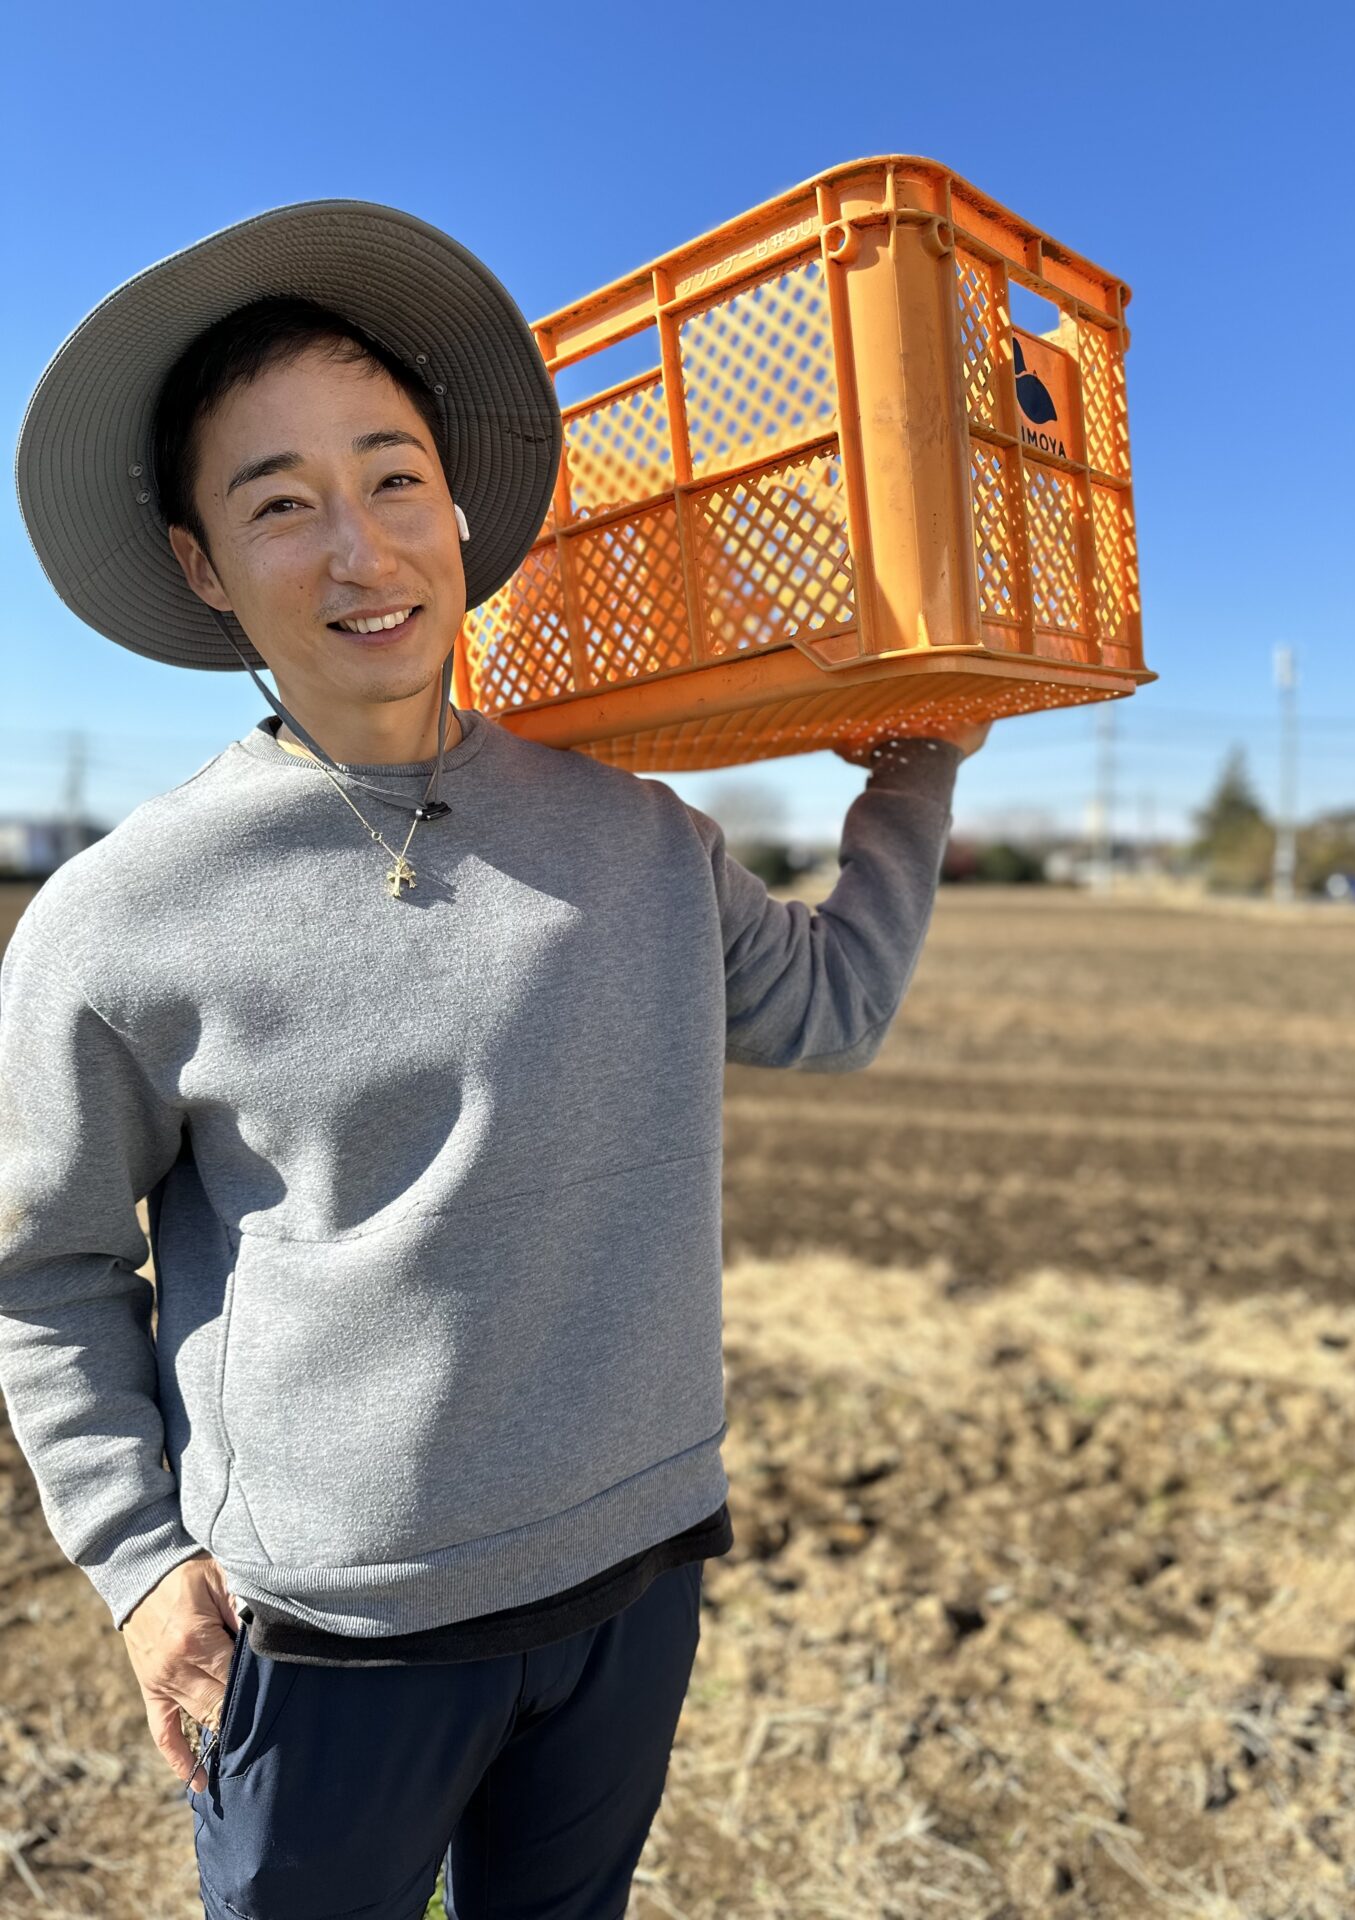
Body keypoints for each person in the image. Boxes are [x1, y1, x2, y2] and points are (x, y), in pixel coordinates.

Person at [1, 199, 991, 1919]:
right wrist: (144, 1566)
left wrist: (913, 778)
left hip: (634, 1576)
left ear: (454, 510)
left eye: (393, 479)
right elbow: (44, 1271)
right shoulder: (122, 916)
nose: (361, 549)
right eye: (280, 503)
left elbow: (827, 1007)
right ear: (196, 563)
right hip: (333, 1644)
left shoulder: (637, 836)